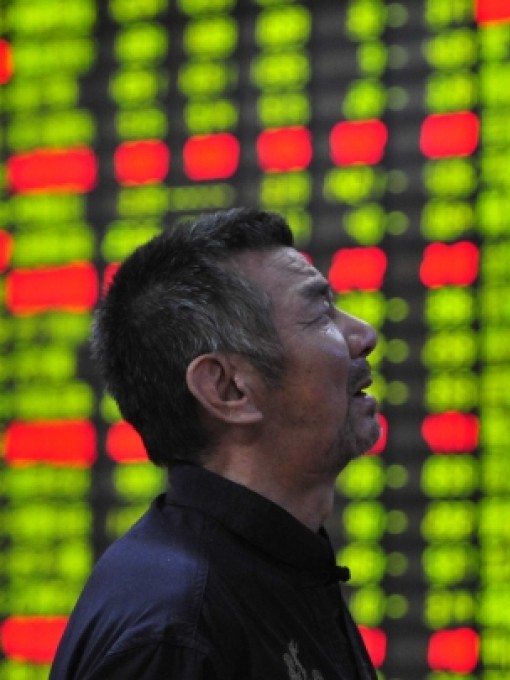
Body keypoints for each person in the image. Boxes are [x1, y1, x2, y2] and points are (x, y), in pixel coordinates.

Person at [50, 208, 381, 679]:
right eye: (320, 313)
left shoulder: (277, 569)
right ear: (228, 390)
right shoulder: (175, 632)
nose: (363, 335)